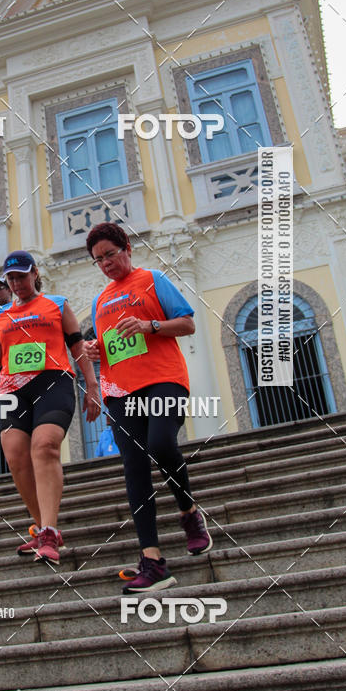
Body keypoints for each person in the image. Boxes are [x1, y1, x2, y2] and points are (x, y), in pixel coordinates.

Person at [84, 222, 212, 594]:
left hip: (163, 379)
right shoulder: (99, 300)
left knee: (161, 444)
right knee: (134, 466)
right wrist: (94, 350)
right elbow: (109, 345)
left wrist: (149, 325)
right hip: (119, 391)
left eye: (110, 254)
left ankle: (189, 512)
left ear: (127, 248)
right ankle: (152, 561)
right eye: (98, 260)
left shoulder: (153, 279)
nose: (106, 263)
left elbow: (187, 323)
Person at [0, 250, 101, 564]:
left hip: (52, 382)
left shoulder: (57, 304)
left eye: (21, 276)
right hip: (13, 389)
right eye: (11, 278)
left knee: (44, 446)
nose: (17, 283)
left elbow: (77, 347)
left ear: (35, 274)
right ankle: (43, 530)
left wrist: (92, 386)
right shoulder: (2, 315)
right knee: (16, 455)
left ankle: (49, 531)